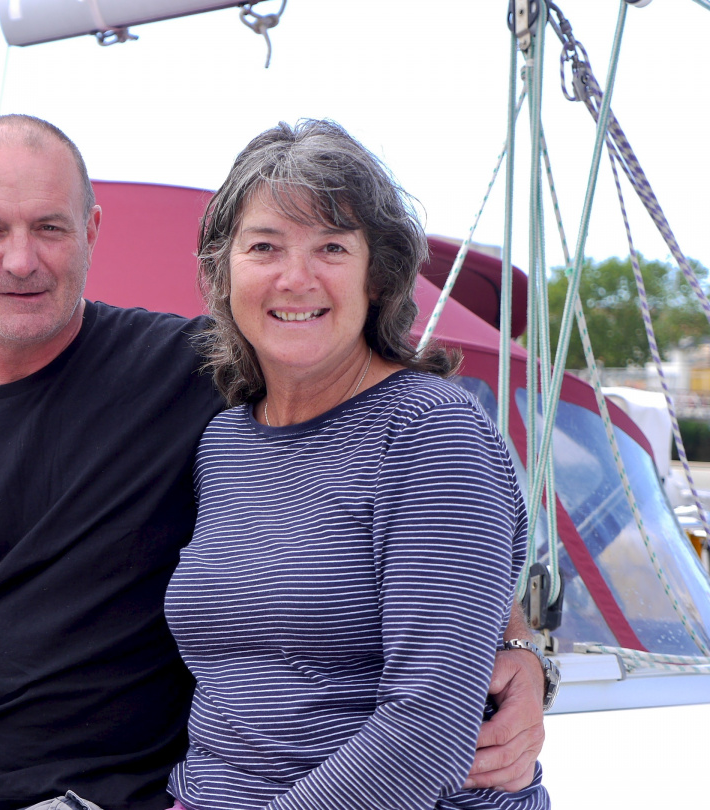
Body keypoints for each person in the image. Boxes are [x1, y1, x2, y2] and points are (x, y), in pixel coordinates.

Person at [0, 115, 547, 810]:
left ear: (92, 232)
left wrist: (517, 650)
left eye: (49, 226)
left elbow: (453, 541)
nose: (21, 260)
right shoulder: (233, 420)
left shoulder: (210, 377)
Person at [164, 119, 550, 809]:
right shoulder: (223, 444)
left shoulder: (432, 435)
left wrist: (525, 650)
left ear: (378, 275)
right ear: (223, 273)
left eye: (332, 247)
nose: (296, 277)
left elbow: (429, 727)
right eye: (264, 246)